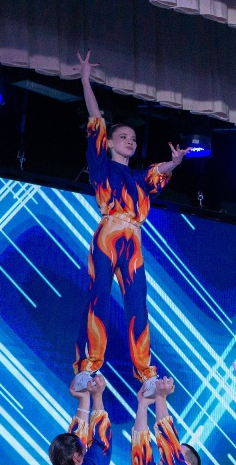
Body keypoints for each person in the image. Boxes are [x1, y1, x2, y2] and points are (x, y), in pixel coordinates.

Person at [71, 50, 187, 398]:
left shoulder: (139, 179)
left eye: (133, 139)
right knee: (99, 298)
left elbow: (158, 171)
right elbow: (96, 119)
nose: (130, 142)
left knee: (137, 304)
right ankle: (87, 367)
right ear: (109, 143)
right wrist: (85, 80)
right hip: (108, 235)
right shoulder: (102, 166)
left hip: (133, 239)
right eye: (123, 137)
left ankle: (146, 374)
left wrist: (175, 162)